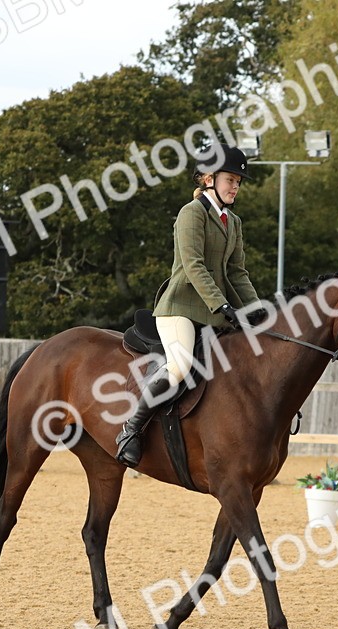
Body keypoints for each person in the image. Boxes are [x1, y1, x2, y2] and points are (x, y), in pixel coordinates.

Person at [115, 143, 262, 468]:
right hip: (180, 308)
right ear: (209, 178)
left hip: (215, 313)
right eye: (230, 179)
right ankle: (131, 429)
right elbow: (194, 266)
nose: (235, 186)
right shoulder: (191, 213)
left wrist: (256, 309)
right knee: (180, 366)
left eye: (239, 181)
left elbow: (237, 273)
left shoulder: (232, 222)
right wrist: (223, 306)